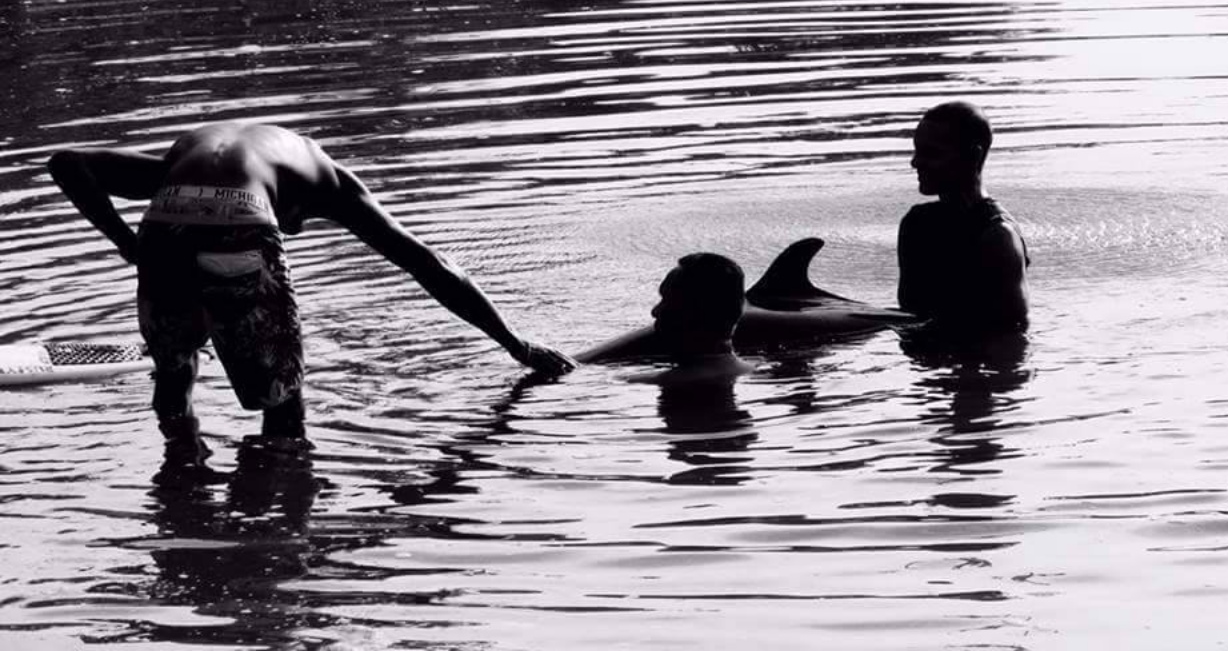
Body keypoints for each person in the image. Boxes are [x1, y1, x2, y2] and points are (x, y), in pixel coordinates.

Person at [47, 122, 575, 451]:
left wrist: (126, 243)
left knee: (174, 371)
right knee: (283, 402)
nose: (296, 230)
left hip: (163, 225)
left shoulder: (188, 157)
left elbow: (67, 163)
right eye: (298, 226)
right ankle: (276, 514)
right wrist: (516, 345)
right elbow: (427, 263)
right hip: (241, 219)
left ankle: (181, 481)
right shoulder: (334, 182)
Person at [897, 101, 1030, 343]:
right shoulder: (916, 225)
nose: (915, 163)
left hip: (974, 371)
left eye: (932, 153)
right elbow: (911, 316)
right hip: (926, 368)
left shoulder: (998, 237)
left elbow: (1013, 335)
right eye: (917, 151)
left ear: (973, 156)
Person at [628, 252, 755, 385]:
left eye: (668, 301)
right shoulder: (753, 370)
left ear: (696, 312)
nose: (654, 312)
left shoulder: (649, 382)